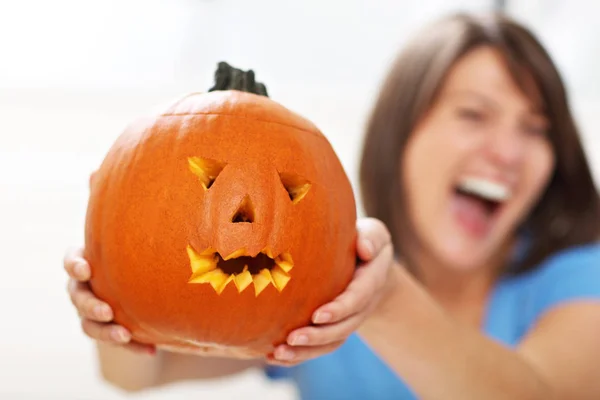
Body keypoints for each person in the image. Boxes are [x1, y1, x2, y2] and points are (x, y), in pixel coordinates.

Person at [64, 12, 600, 399]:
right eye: (474, 115)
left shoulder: (578, 274)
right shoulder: (314, 265)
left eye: (535, 129)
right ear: (402, 133)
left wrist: (384, 299)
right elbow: (139, 376)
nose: (507, 152)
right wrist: (115, 305)